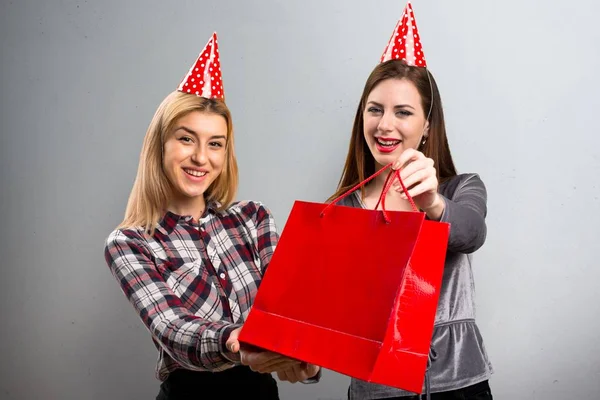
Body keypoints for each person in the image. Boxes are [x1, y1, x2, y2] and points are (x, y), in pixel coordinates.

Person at [104, 33, 319, 400]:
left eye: (215, 143)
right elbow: (172, 329)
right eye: (187, 139)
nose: (201, 158)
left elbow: (289, 303)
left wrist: (304, 356)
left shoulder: (253, 218)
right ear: (160, 145)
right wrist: (236, 340)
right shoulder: (130, 243)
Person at [328, 3, 493, 399]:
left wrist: (432, 202)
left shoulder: (460, 189)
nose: (385, 125)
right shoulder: (340, 210)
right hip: (376, 390)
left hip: (458, 385)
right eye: (375, 110)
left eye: (403, 112)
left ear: (426, 126)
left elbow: (471, 233)